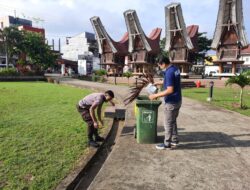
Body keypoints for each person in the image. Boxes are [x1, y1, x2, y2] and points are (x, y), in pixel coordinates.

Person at [149, 55, 182, 150]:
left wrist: (155, 95)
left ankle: (167, 144)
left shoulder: (169, 72)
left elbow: (170, 90)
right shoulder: (175, 69)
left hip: (171, 102)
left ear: (163, 63)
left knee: (167, 123)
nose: (159, 67)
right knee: (173, 121)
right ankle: (175, 140)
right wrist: (158, 83)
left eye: (160, 65)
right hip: (178, 100)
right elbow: (171, 81)